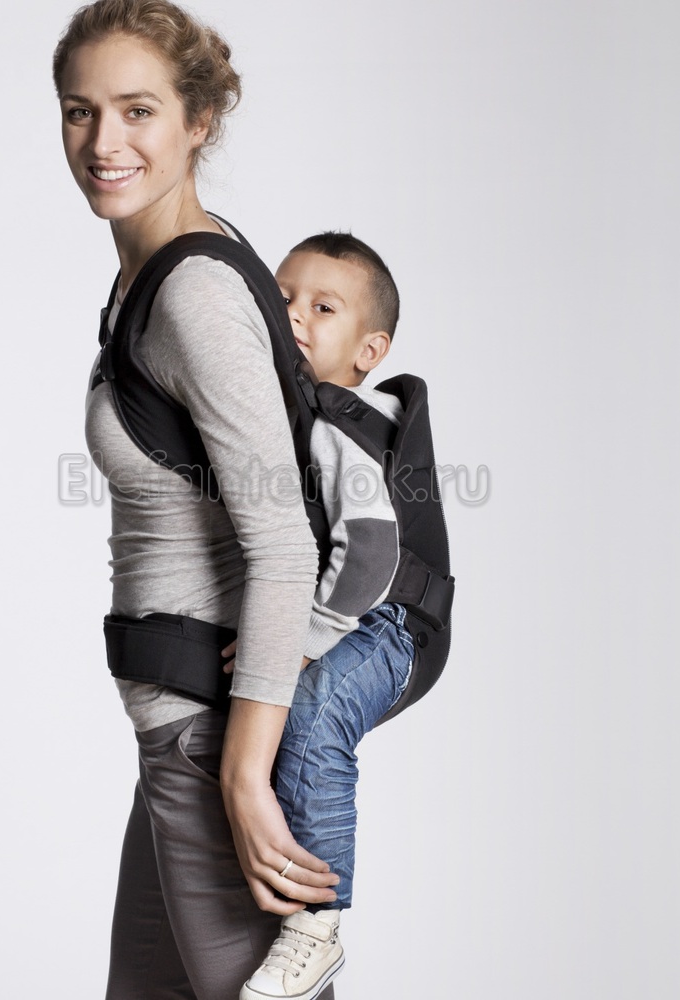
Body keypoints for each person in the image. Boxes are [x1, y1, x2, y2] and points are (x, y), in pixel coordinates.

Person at [53, 2, 342, 998]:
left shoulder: (194, 295)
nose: (104, 142)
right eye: (81, 111)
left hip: (211, 744)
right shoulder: (157, 273)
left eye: (138, 110)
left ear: (199, 121)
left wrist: (244, 776)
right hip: (179, 740)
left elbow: (285, 544)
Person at [226, 234, 416, 1000]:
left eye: (324, 307)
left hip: (387, 624)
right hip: (361, 615)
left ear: (370, 350)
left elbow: (368, 552)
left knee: (311, 713)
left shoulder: (339, 423)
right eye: (283, 297)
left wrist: (297, 645)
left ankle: (317, 926)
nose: (295, 315)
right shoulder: (304, 414)